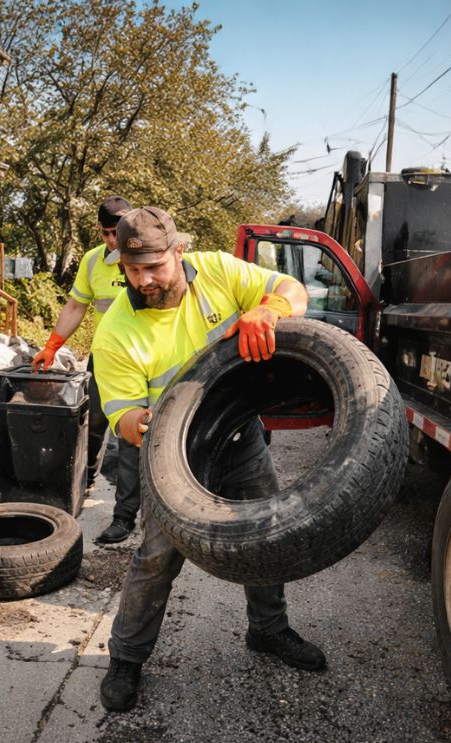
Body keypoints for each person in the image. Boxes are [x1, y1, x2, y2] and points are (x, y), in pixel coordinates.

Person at [91, 206, 324, 713]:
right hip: (170, 454)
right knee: (155, 558)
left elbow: (294, 291)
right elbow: (122, 416)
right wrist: (144, 423)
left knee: (266, 536)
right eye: (132, 270)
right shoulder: (115, 331)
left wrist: (268, 310)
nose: (144, 280)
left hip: (240, 441)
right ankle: (126, 659)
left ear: (178, 251)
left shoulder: (218, 271)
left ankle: (269, 629)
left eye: (154, 266)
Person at [32, 196, 140, 544]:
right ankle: (85, 482)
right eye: (107, 233)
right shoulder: (93, 261)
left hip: (142, 362)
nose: (113, 240)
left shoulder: (144, 260)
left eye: (118, 232)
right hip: (104, 360)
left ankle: (124, 516)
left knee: (130, 438)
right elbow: (76, 306)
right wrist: (52, 345)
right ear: (100, 231)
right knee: (92, 424)